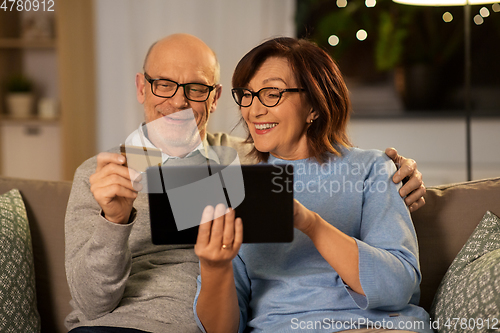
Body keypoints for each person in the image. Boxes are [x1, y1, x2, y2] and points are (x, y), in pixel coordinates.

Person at [65, 34, 425, 333]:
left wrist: (397, 177)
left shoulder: (243, 162)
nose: (178, 101)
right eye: (163, 85)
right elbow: (92, 304)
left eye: (195, 89)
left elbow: (310, 159)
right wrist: (114, 220)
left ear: (216, 97)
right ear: (142, 87)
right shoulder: (109, 173)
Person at [193, 37, 432, 333]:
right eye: (247, 94)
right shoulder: (233, 187)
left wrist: (310, 224)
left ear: (314, 107)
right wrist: (214, 268)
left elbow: (398, 287)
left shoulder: (372, 168)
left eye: (271, 93)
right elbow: (222, 330)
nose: (253, 110)